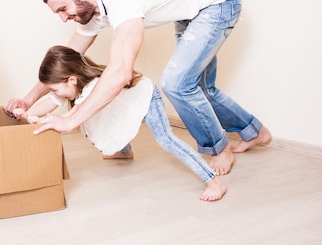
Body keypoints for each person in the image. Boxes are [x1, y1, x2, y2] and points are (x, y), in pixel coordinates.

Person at [5, 0, 272, 176]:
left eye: (63, 9)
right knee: (199, 86)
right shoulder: (95, 9)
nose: (64, 18)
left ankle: (218, 148)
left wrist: (72, 119)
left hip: (217, 1)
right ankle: (254, 131)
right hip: (191, 8)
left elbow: (121, 72)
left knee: (178, 84)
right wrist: (27, 101)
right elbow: (66, 60)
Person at [21, 45, 226, 201]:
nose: (55, 94)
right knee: (108, 126)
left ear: (71, 81)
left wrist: (43, 121)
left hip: (144, 98)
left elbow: (71, 120)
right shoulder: (71, 88)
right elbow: (51, 102)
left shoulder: (92, 89)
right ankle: (124, 152)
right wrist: (26, 113)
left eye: (55, 89)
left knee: (166, 140)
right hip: (121, 107)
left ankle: (212, 180)